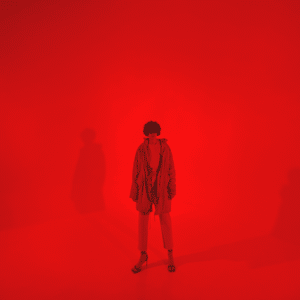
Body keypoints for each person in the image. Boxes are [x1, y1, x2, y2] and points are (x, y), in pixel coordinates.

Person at [130, 121, 176, 273]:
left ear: (158, 132)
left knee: (165, 219)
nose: (152, 133)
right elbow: (135, 171)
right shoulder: (141, 149)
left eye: (155, 130)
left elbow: (171, 169)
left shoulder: (165, 147)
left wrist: (171, 188)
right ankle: (143, 255)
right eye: (150, 131)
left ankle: (170, 254)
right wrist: (135, 191)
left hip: (161, 187)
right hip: (145, 188)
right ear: (146, 132)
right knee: (142, 220)